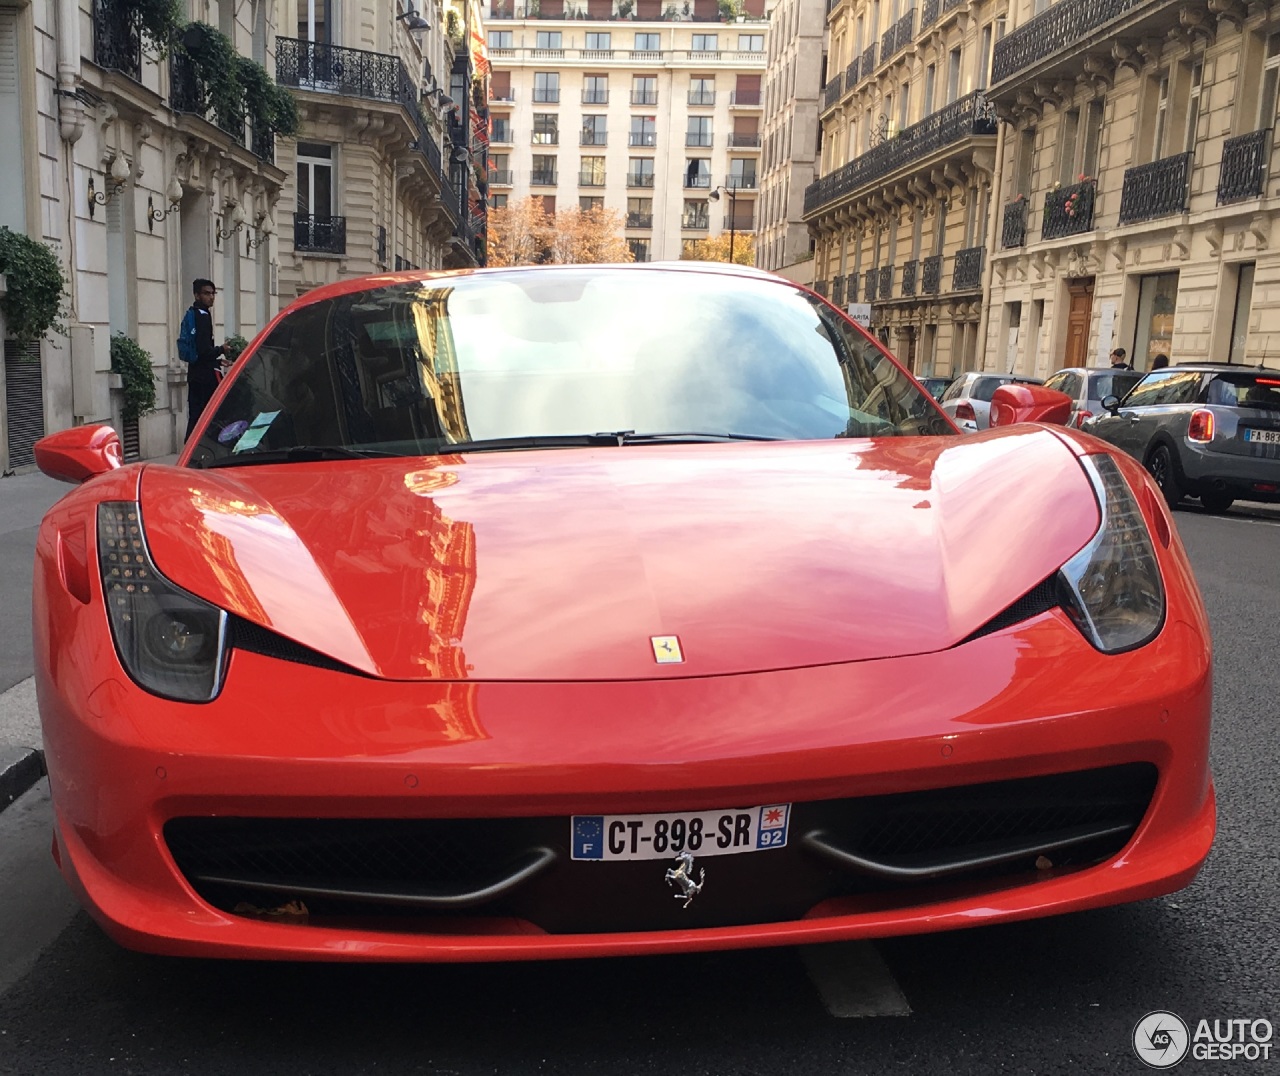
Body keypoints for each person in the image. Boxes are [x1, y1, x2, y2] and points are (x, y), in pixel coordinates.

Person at [177, 279, 230, 439]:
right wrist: (222, 349)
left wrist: (217, 360)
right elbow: (203, 349)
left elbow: (201, 352)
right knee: (210, 415)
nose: (211, 297)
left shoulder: (194, 313)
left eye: (213, 293)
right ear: (197, 295)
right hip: (205, 377)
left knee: (196, 415)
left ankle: (190, 450)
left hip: (195, 373)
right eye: (207, 293)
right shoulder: (203, 316)